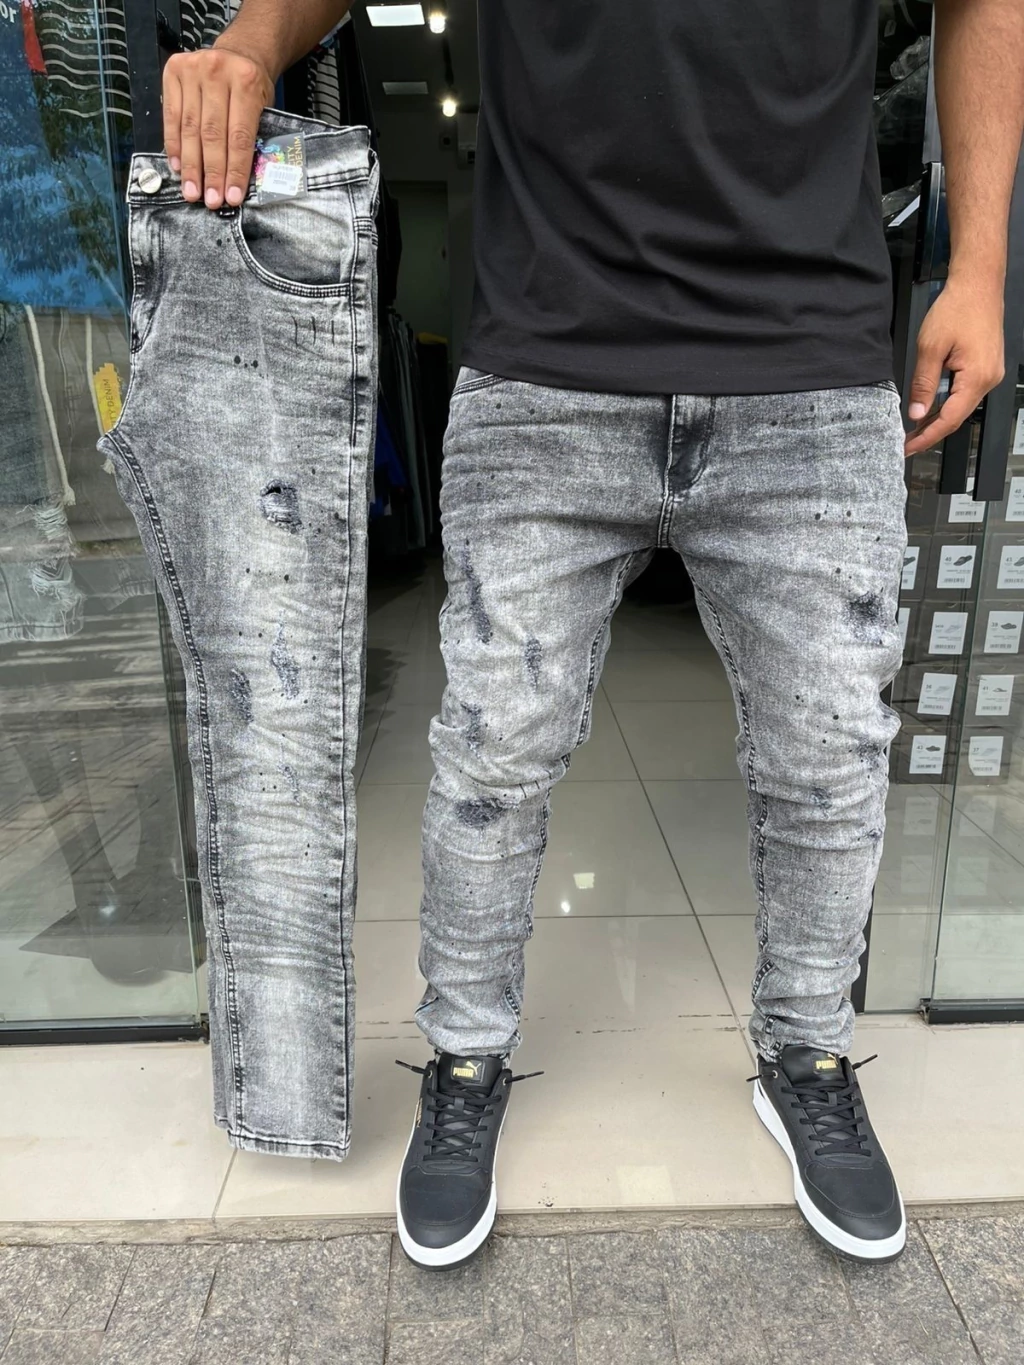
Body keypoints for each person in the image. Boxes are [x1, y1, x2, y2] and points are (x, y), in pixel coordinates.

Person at [164, 0, 1023, 1269]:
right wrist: (250, 42)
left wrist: (979, 268)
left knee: (831, 756)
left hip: (807, 365)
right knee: (492, 756)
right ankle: (465, 1059)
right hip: (545, 363)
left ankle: (807, 1053)